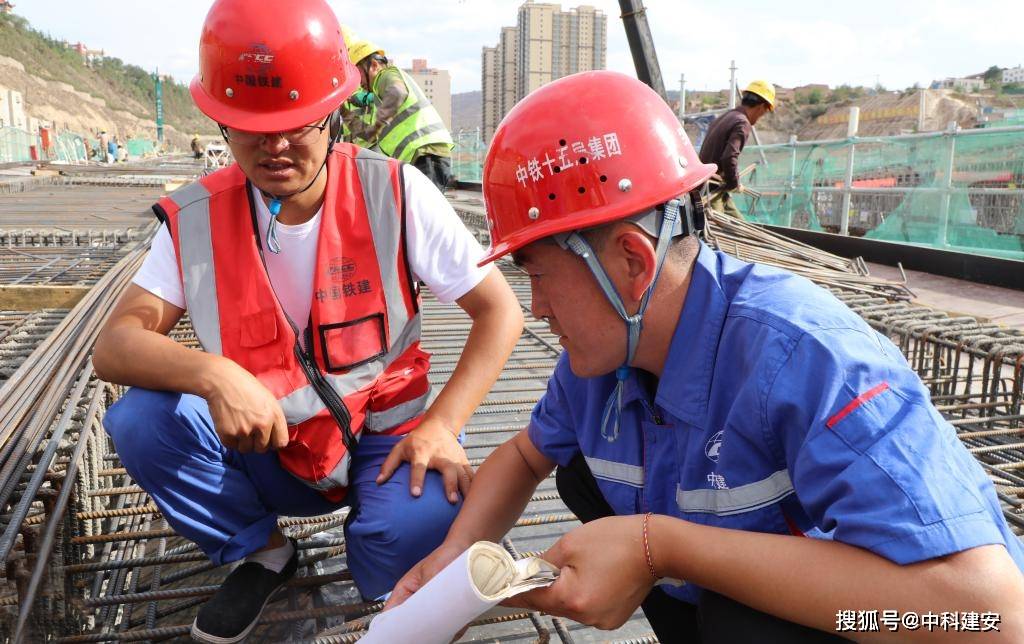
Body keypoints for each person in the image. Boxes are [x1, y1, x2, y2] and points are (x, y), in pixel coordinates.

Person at [387, 71, 1024, 643]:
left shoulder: (806, 358)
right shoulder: (605, 357)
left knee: (740, 623)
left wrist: (659, 549)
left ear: (632, 262)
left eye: (540, 276)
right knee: (581, 468)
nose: (537, 309)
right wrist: (456, 559)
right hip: (704, 581)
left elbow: (988, 613)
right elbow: (526, 454)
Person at [92, 2, 523, 643]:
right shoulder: (197, 220)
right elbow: (115, 345)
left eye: (296, 124)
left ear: (332, 114)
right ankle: (262, 552)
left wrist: (443, 425)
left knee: (420, 523)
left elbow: (500, 310)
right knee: (142, 421)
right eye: (251, 128)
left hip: (384, 441)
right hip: (269, 449)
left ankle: (385, 593)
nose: (276, 147)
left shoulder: (394, 192)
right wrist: (212, 376)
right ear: (220, 121)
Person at [342, 30, 454, 192]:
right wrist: (345, 112)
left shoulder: (386, 75)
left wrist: (377, 125)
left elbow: (397, 91)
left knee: (421, 213)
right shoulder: (379, 93)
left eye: (359, 74)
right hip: (423, 156)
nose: (359, 82)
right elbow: (367, 135)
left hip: (426, 154)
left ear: (373, 65)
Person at [698, 80, 774, 219]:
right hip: (710, 189)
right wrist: (735, 183)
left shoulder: (727, 117)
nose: (761, 116)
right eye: (764, 112)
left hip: (711, 185)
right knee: (721, 231)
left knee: (741, 226)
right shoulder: (742, 123)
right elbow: (728, 157)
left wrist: (732, 181)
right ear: (762, 107)